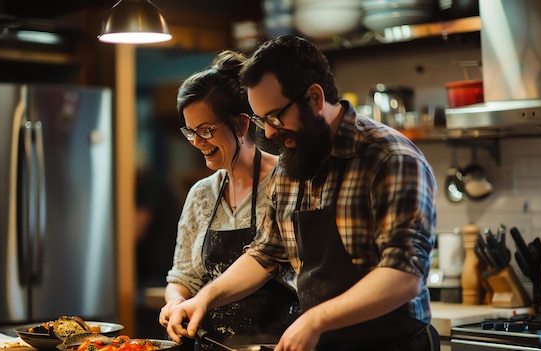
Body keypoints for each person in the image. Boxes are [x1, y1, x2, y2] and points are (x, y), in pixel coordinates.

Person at [162, 35, 440, 351]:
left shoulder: (389, 159)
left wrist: (314, 319)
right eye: (260, 120)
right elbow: (264, 254)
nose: (267, 133)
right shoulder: (292, 166)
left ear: (314, 98)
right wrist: (204, 299)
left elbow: (403, 275)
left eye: (274, 117)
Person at [159, 50, 301, 350]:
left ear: (240, 125)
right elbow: (183, 276)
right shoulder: (201, 194)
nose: (197, 142)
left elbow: (269, 261)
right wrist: (175, 303)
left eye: (206, 130)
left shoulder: (286, 181)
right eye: (190, 132)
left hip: (277, 343)